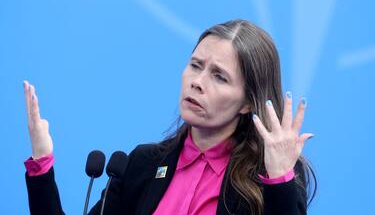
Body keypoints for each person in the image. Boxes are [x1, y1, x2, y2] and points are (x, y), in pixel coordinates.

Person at [23, 19, 316, 215]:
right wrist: (41, 162)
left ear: (246, 102)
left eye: (219, 77)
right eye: (195, 65)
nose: (197, 81)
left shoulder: (270, 178)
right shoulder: (142, 164)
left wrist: (279, 179)